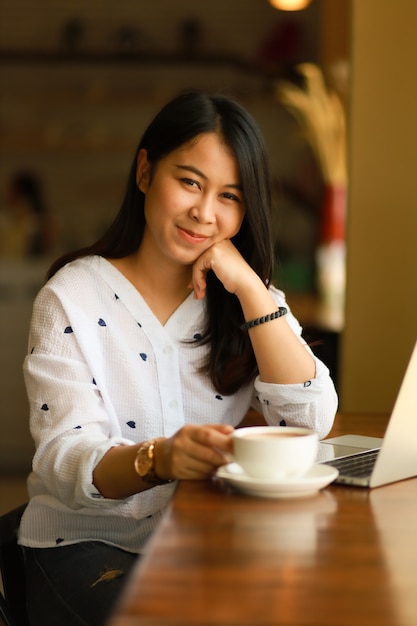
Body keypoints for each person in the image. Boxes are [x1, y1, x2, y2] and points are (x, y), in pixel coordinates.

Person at [18, 90, 338, 626]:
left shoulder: (248, 300)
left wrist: (251, 290)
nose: (204, 213)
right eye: (189, 182)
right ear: (145, 171)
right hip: (88, 546)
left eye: (229, 196)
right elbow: (64, 459)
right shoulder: (70, 297)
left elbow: (309, 421)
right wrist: (157, 459)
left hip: (209, 541)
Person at [0, 171, 54, 258]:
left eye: (11, 190)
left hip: (31, 265)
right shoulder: (5, 216)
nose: (7, 193)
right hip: (6, 264)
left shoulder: (41, 219)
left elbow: (48, 246)